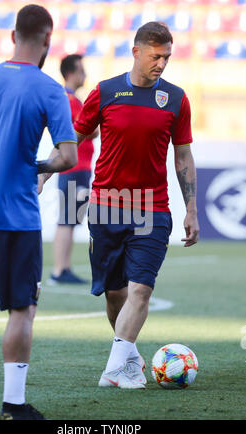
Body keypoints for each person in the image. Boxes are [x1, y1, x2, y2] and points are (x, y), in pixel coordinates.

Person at [0, 4, 77, 419]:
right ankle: (13, 405)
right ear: (47, 40)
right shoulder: (49, 89)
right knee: (22, 308)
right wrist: (38, 167)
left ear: (11, 36)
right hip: (18, 221)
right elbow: (67, 156)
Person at [74, 21, 199, 389]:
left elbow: (184, 156)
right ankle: (128, 356)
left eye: (167, 57)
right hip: (106, 206)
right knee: (116, 294)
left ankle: (114, 370)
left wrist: (190, 208)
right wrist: (47, 171)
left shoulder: (176, 99)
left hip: (153, 208)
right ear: (136, 52)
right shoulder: (105, 92)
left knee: (141, 288)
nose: (161, 63)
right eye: (155, 56)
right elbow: (73, 138)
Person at [48, 54, 97, 285]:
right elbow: (87, 130)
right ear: (71, 73)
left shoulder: (72, 99)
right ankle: (59, 270)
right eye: (81, 70)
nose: (84, 74)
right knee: (67, 220)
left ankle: (63, 268)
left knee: (70, 219)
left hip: (77, 169)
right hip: (74, 169)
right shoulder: (70, 101)